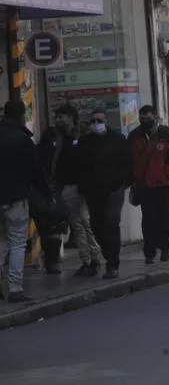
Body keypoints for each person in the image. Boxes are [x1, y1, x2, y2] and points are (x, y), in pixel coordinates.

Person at [38, 104, 101, 276]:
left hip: (82, 186)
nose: (58, 120)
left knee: (85, 223)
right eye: (57, 117)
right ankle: (87, 260)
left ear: (71, 117)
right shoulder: (55, 136)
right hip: (64, 186)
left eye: (62, 116)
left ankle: (95, 258)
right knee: (77, 225)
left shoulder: (82, 135)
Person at [0, 100, 48, 303]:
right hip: (16, 197)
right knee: (18, 243)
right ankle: (15, 288)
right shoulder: (22, 139)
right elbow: (35, 171)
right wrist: (46, 193)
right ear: (21, 115)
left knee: (1, 241)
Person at [78, 110, 132, 279]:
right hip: (93, 191)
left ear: (106, 121)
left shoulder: (117, 140)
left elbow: (128, 163)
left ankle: (113, 263)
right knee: (97, 225)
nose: (96, 123)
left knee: (111, 222)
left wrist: (123, 182)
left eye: (99, 120)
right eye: (93, 120)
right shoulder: (85, 142)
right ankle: (108, 255)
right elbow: (80, 166)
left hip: (114, 189)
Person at [129, 105, 169, 264]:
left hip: (164, 185)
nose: (145, 121)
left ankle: (165, 248)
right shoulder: (135, 136)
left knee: (165, 217)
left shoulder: (166, 134)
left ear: (155, 117)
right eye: (142, 119)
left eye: (148, 118)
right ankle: (149, 252)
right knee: (148, 220)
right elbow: (129, 159)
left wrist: (168, 172)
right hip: (144, 185)